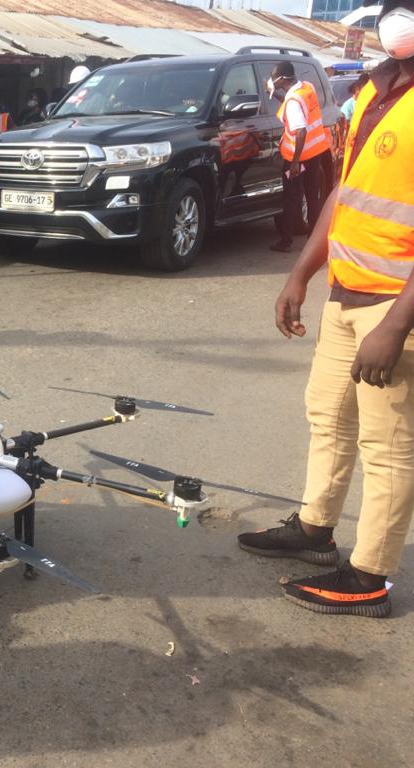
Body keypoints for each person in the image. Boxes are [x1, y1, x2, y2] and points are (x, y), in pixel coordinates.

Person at [239, 0, 414, 619]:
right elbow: (344, 190)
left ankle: (369, 577)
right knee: (328, 414)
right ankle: (316, 529)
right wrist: (301, 272)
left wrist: (396, 325)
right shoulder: (376, 90)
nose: (395, 18)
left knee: (388, 445)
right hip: (348, 290)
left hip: (397, 308)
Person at [268, 61, 331, 253]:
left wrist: (295, 162)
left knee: (292, 198)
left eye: (274, 77)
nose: (272, 80)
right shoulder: (306, 87)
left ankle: (286, 241)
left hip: (298, 158)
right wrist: (275, 94)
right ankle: (313, 239)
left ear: (283, 78)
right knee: (313, 196)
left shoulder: (294, 101)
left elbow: (301, 131)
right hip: (315, 153)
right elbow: (293, 102)